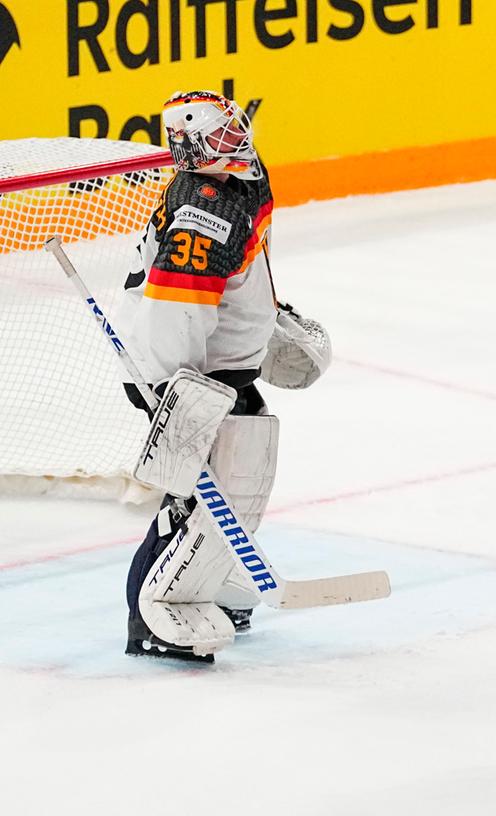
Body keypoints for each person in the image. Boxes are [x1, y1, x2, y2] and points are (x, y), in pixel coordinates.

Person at [117, 90, 330, 662]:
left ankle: (215, 581)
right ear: (193, 148)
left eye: (233, 128)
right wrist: (171, 395)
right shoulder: (205, 207)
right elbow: (174, 307)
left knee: (243, 473)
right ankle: (151, 617)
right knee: (192, 495)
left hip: (215, 364)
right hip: (182, 370)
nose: (235, 140)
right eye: (219, 136)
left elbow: (235, 270)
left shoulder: (238, 179)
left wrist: (267, 318)